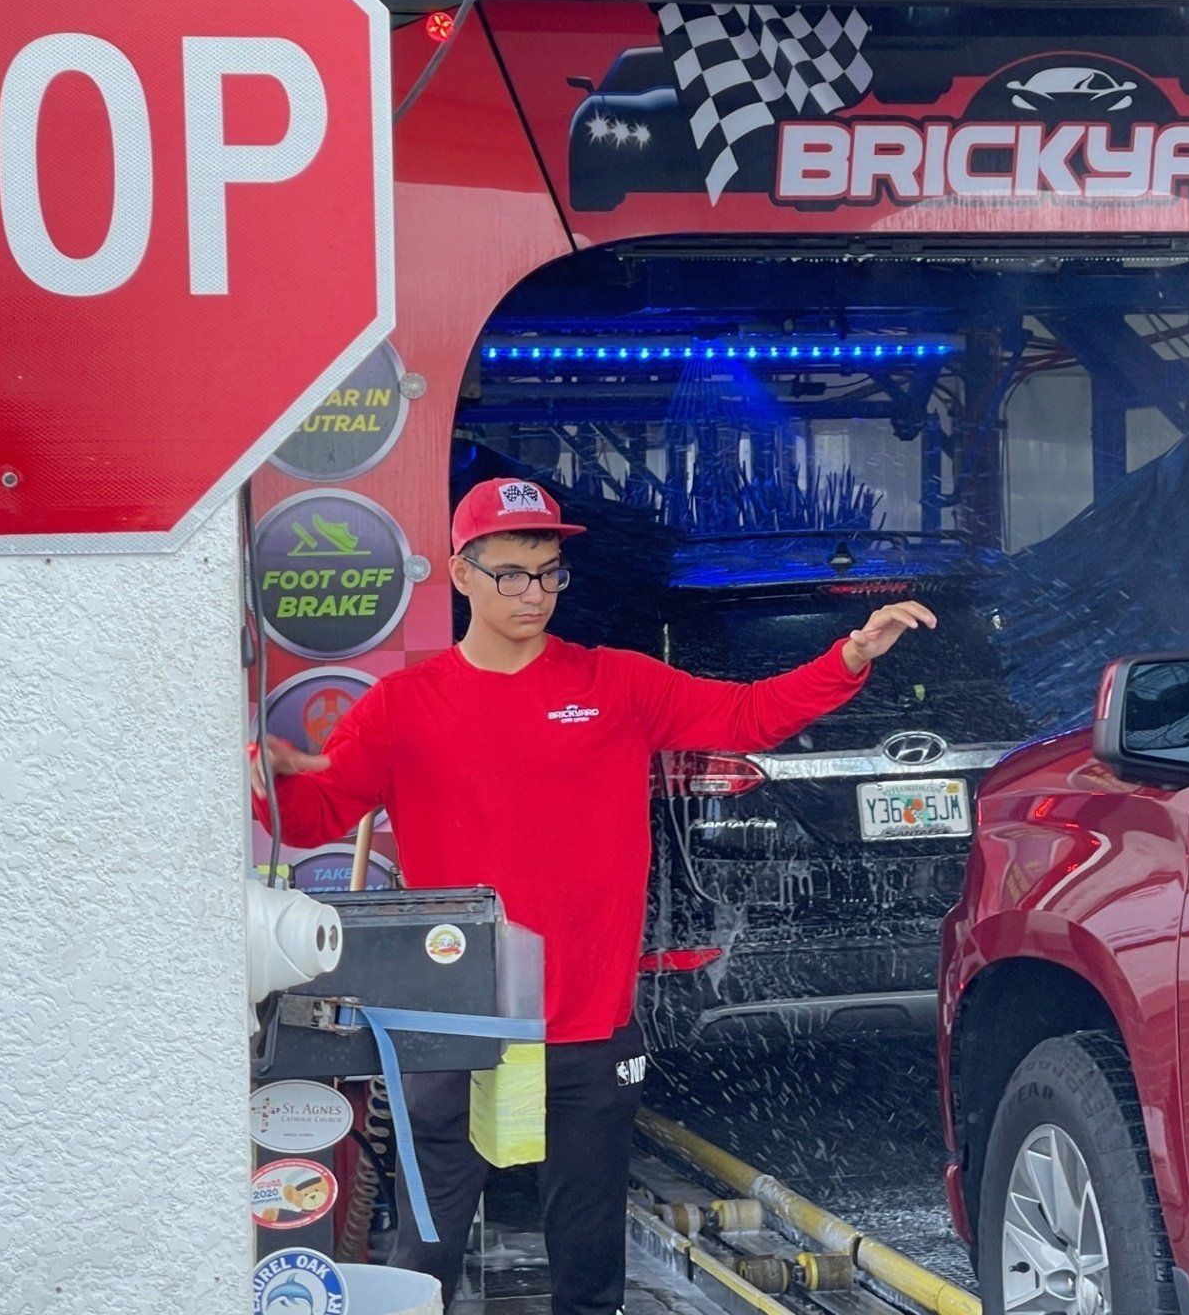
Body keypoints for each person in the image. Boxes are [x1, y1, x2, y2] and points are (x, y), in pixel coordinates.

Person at [252, 477, 935, 1314]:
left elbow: (748, 717)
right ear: (461, 575)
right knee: (426, 1245)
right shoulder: (405, 704)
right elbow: (322, 809)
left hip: (588, 1012)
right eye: (510, 573)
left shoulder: (618, 683)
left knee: (586, 1251)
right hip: (452, 1018)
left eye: (547, 573)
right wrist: (268, 779)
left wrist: (849, 658)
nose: (532, 593)